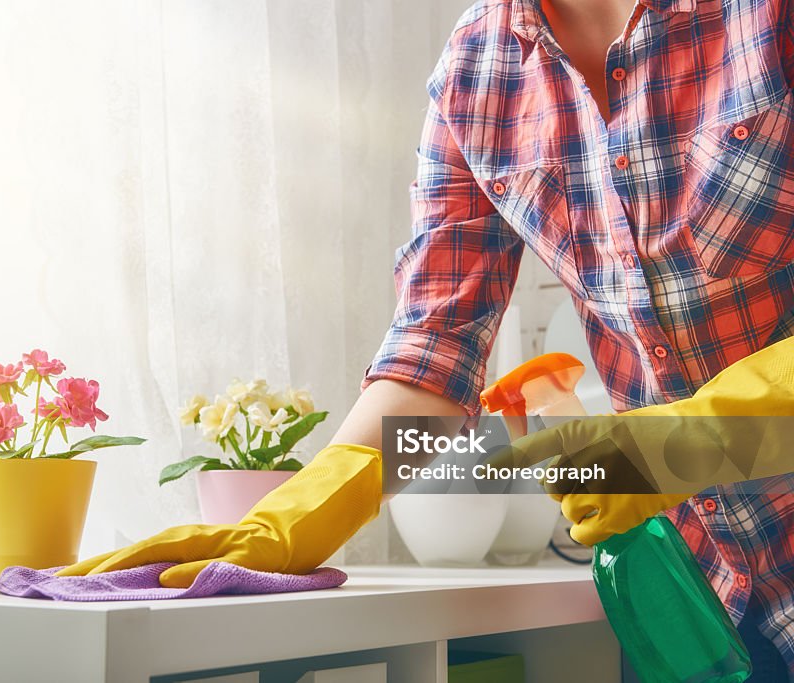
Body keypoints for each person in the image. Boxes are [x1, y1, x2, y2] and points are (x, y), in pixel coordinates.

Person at [61, 0, 794, 677]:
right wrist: (304, 507)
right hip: (701, 607)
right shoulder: (477, 72)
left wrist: (700, 437)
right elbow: (435, 349)